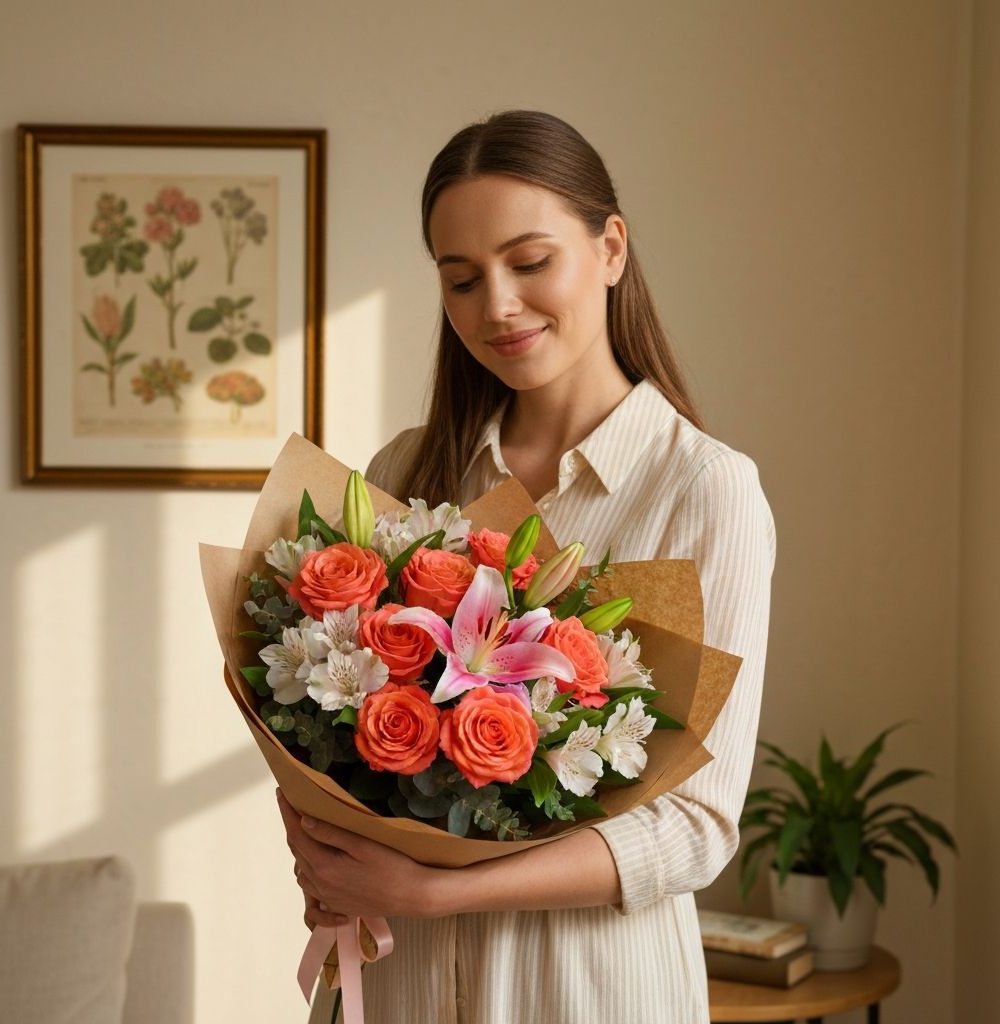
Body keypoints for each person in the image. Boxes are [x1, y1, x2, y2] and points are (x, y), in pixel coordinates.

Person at [277, 109, 776, 1023]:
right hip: (399, 985)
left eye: (530, 262)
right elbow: (317, 736)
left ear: (612, 248)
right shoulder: (403, 473)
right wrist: (322, 850)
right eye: (460, 279)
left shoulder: (704, 491)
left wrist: (437, 893)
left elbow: (695, 828)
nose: (496, 305)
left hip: (588, 992)